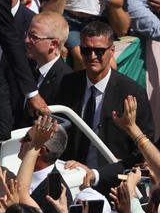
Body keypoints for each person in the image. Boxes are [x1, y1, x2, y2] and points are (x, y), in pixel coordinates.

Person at [54, 21, 154, 189]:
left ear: (112, 51)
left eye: (99, 51)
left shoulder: (132, 93)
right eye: (86, 50)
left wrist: (99, 174)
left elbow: (143, 150)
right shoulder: (68, 84)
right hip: (72, 179)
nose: (92, 56)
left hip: (114, 184)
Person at [24, 12, 71, 117]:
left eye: (34, 37)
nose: (27, 40)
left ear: (53, 44)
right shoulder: (26, 67)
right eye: (28, 34)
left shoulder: (66, 81)